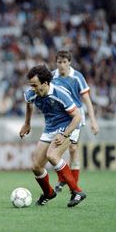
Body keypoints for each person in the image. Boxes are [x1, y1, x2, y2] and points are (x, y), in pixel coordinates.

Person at [19, 65, 86, 207]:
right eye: (30, 85)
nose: (32, 88)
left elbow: (77, 117)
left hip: (68, 126)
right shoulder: (31, 93)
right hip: (50, 128)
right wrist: (27, 123)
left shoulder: (60, 93)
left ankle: (77, 191)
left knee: (52, 155)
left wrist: (64, 134)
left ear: (45, 83)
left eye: (35, 85)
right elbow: (29, 105)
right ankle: (49, 193)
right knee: (36, 166)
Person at [51, 50, 99, 194]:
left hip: (75, 116)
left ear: (69, 62)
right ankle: (63, 178)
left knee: (72, 148)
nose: (62, 65)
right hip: (58, 117)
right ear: (56, 63)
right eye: (59, 62)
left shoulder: (77, 77)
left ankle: (74, 188)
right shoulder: (52, 76)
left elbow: (87, 101)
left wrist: (93, 121)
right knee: (55, 151)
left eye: (65, 62)